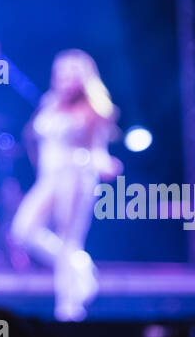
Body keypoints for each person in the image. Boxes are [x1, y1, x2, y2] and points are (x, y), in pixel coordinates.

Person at [10, 49, 122, 321]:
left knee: (70, 238)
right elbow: (34, 138)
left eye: (74, 74)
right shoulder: (50, 102)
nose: (67, 80)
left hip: (77, 176)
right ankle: (81, 268)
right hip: (49, 178)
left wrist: (103, 163)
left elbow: (97, 149)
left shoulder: (95, 109)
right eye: (63, 74)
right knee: (23, 230)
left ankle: (69, 309)